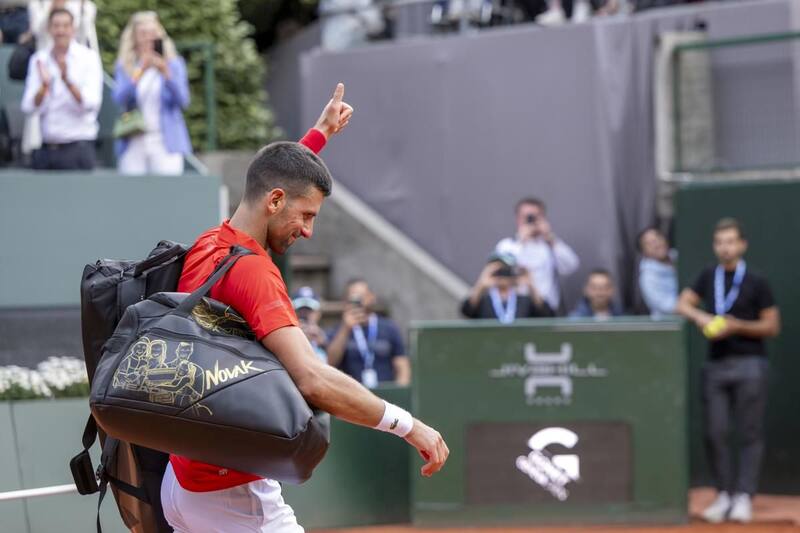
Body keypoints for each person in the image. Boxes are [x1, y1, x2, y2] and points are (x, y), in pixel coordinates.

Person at [160, 83, 448, 533]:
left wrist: (318, 135)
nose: (309, 231)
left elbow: (273, 174)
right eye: (308, 216)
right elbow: (312, 379)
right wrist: (408, 425)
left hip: (181, 481)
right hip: (231, 493)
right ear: (275, 201)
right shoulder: (254, 272)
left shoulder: (210, 242)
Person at [677, 218, 780, 524]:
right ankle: (724, 494)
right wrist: (702, 318)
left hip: (751, 364)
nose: (725, 247)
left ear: (742, 244)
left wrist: (738, 326)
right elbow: (681, 304)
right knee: (715, 431)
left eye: (731, 241)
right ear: (714, 245)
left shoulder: (757, 281)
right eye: (720, 242)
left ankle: (744, 497)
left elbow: (772, 325)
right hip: (716, 366)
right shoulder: (708, 276)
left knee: (749, 432)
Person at [20, 7, 102, 170]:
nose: (60, 31)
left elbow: (91, 104)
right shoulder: (39, 59)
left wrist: (67, 81)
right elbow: (28, 106)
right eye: (56, 26)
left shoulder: (88, 58)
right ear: (49, 29)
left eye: (65, 26)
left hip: (78, 149)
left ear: (73, 29)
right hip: (46, 149)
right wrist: (44, 87)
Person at [112, 11, 190, 175]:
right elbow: (119, 97)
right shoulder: (126, 65)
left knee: (168, 192)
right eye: (143, 34)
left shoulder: (174, 64)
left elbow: (183, 99)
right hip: (134, 139)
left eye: (152, 33)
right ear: (134, 38)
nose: (148, 38)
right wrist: (140, 71)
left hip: (165, 141)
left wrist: (165, 72)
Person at [495, 197, 580, 314]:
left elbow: (571, 265)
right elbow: (500, 269)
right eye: (527, 217)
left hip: (546, 309)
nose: (531, 221)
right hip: (515, 310)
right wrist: (521, 242)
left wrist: (551, 238)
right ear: (518, 219)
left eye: (535, 217)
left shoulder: (549, 246)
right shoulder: (508, 245)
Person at [326, 279, 411, 388]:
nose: (359, 302)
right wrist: (345, 329)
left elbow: (402, 367)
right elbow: (330, 363)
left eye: (362, 296)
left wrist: (399, 392)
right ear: (345, 301)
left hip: (386, 394)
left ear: (372, 297)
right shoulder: (339, 330)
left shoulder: (389, 328)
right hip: (353, 394)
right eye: (354, 298)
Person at [461, 252, 553, 321]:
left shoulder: (524, 300)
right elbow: (467, 311)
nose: (502, 274)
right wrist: (481, 284)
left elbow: (546, 314)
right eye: (498, 270)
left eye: (507, 269)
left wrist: (531, 285)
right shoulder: (484, 301)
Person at [637, 227, 678, 316]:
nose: (656, 244)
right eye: (649, 243)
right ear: (644, 252)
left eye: (658, 238)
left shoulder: (679, 256)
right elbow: (666, 307)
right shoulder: (647, 277)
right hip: (669, 325)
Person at [291, 286, 328, 363]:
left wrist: (324, 344)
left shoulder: (327, 337)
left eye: (309, 310)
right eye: (300, 309)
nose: (304, 314)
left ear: (318, 313)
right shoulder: (285, 337)